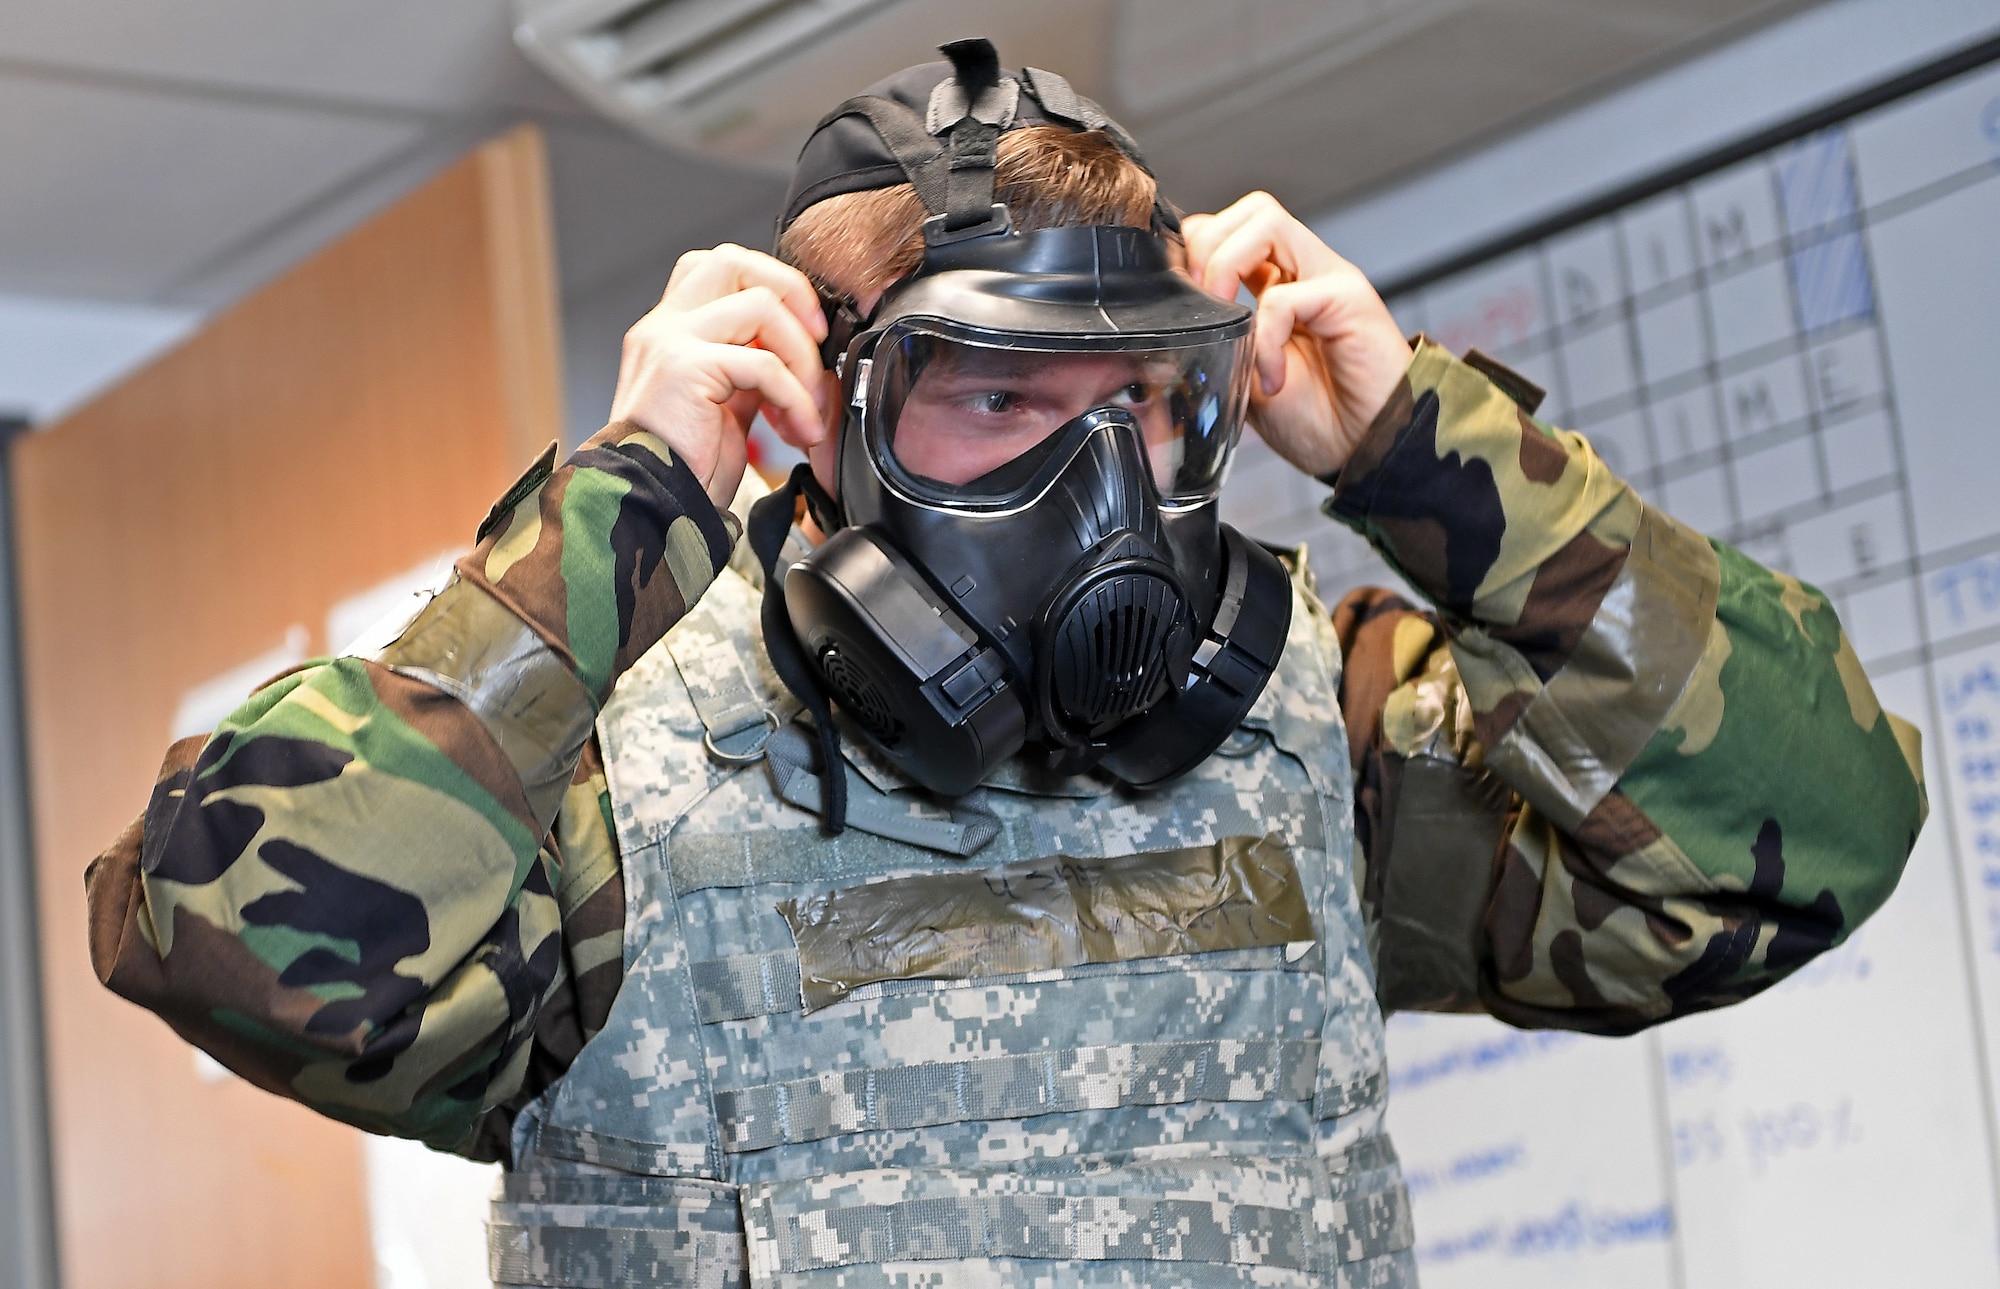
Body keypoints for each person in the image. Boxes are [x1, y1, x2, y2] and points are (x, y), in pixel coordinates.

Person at [85, 40, 1926, 1288]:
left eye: (1144, 395)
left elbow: (1815, 831)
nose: (1102, 481)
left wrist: (1425, 458)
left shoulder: (1321, 738)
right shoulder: (611, 799)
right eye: (996, 397)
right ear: (825, 412)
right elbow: (220, 937)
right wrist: (625, 507)